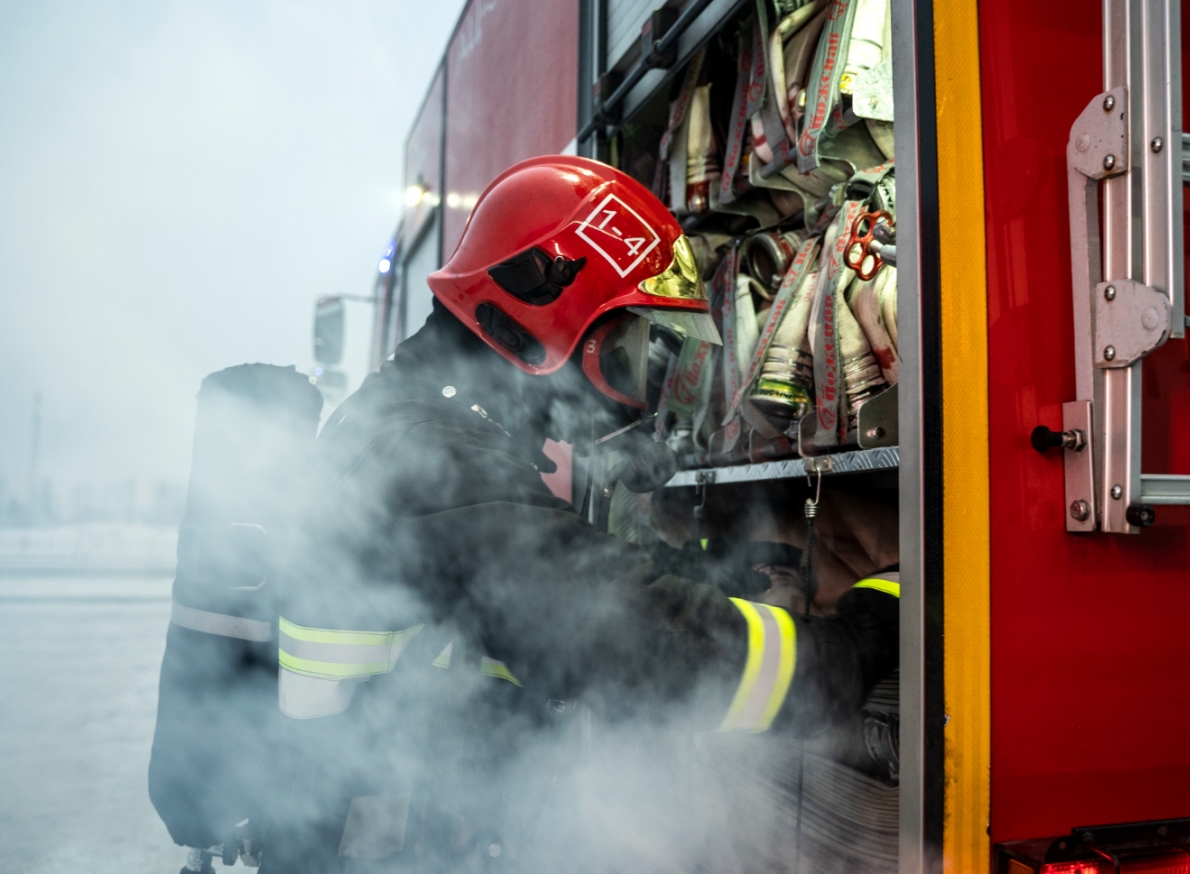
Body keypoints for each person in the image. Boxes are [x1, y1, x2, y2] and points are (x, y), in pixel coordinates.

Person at [262, 156, 898, 874]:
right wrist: (856, 642)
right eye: (630, 351)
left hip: (409, 826)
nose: (639, 392)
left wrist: (694, 572)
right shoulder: (435, 459)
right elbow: (632, 644)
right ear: (543, 313)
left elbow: (529, 577)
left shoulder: (420, 424)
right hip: (393, 848)